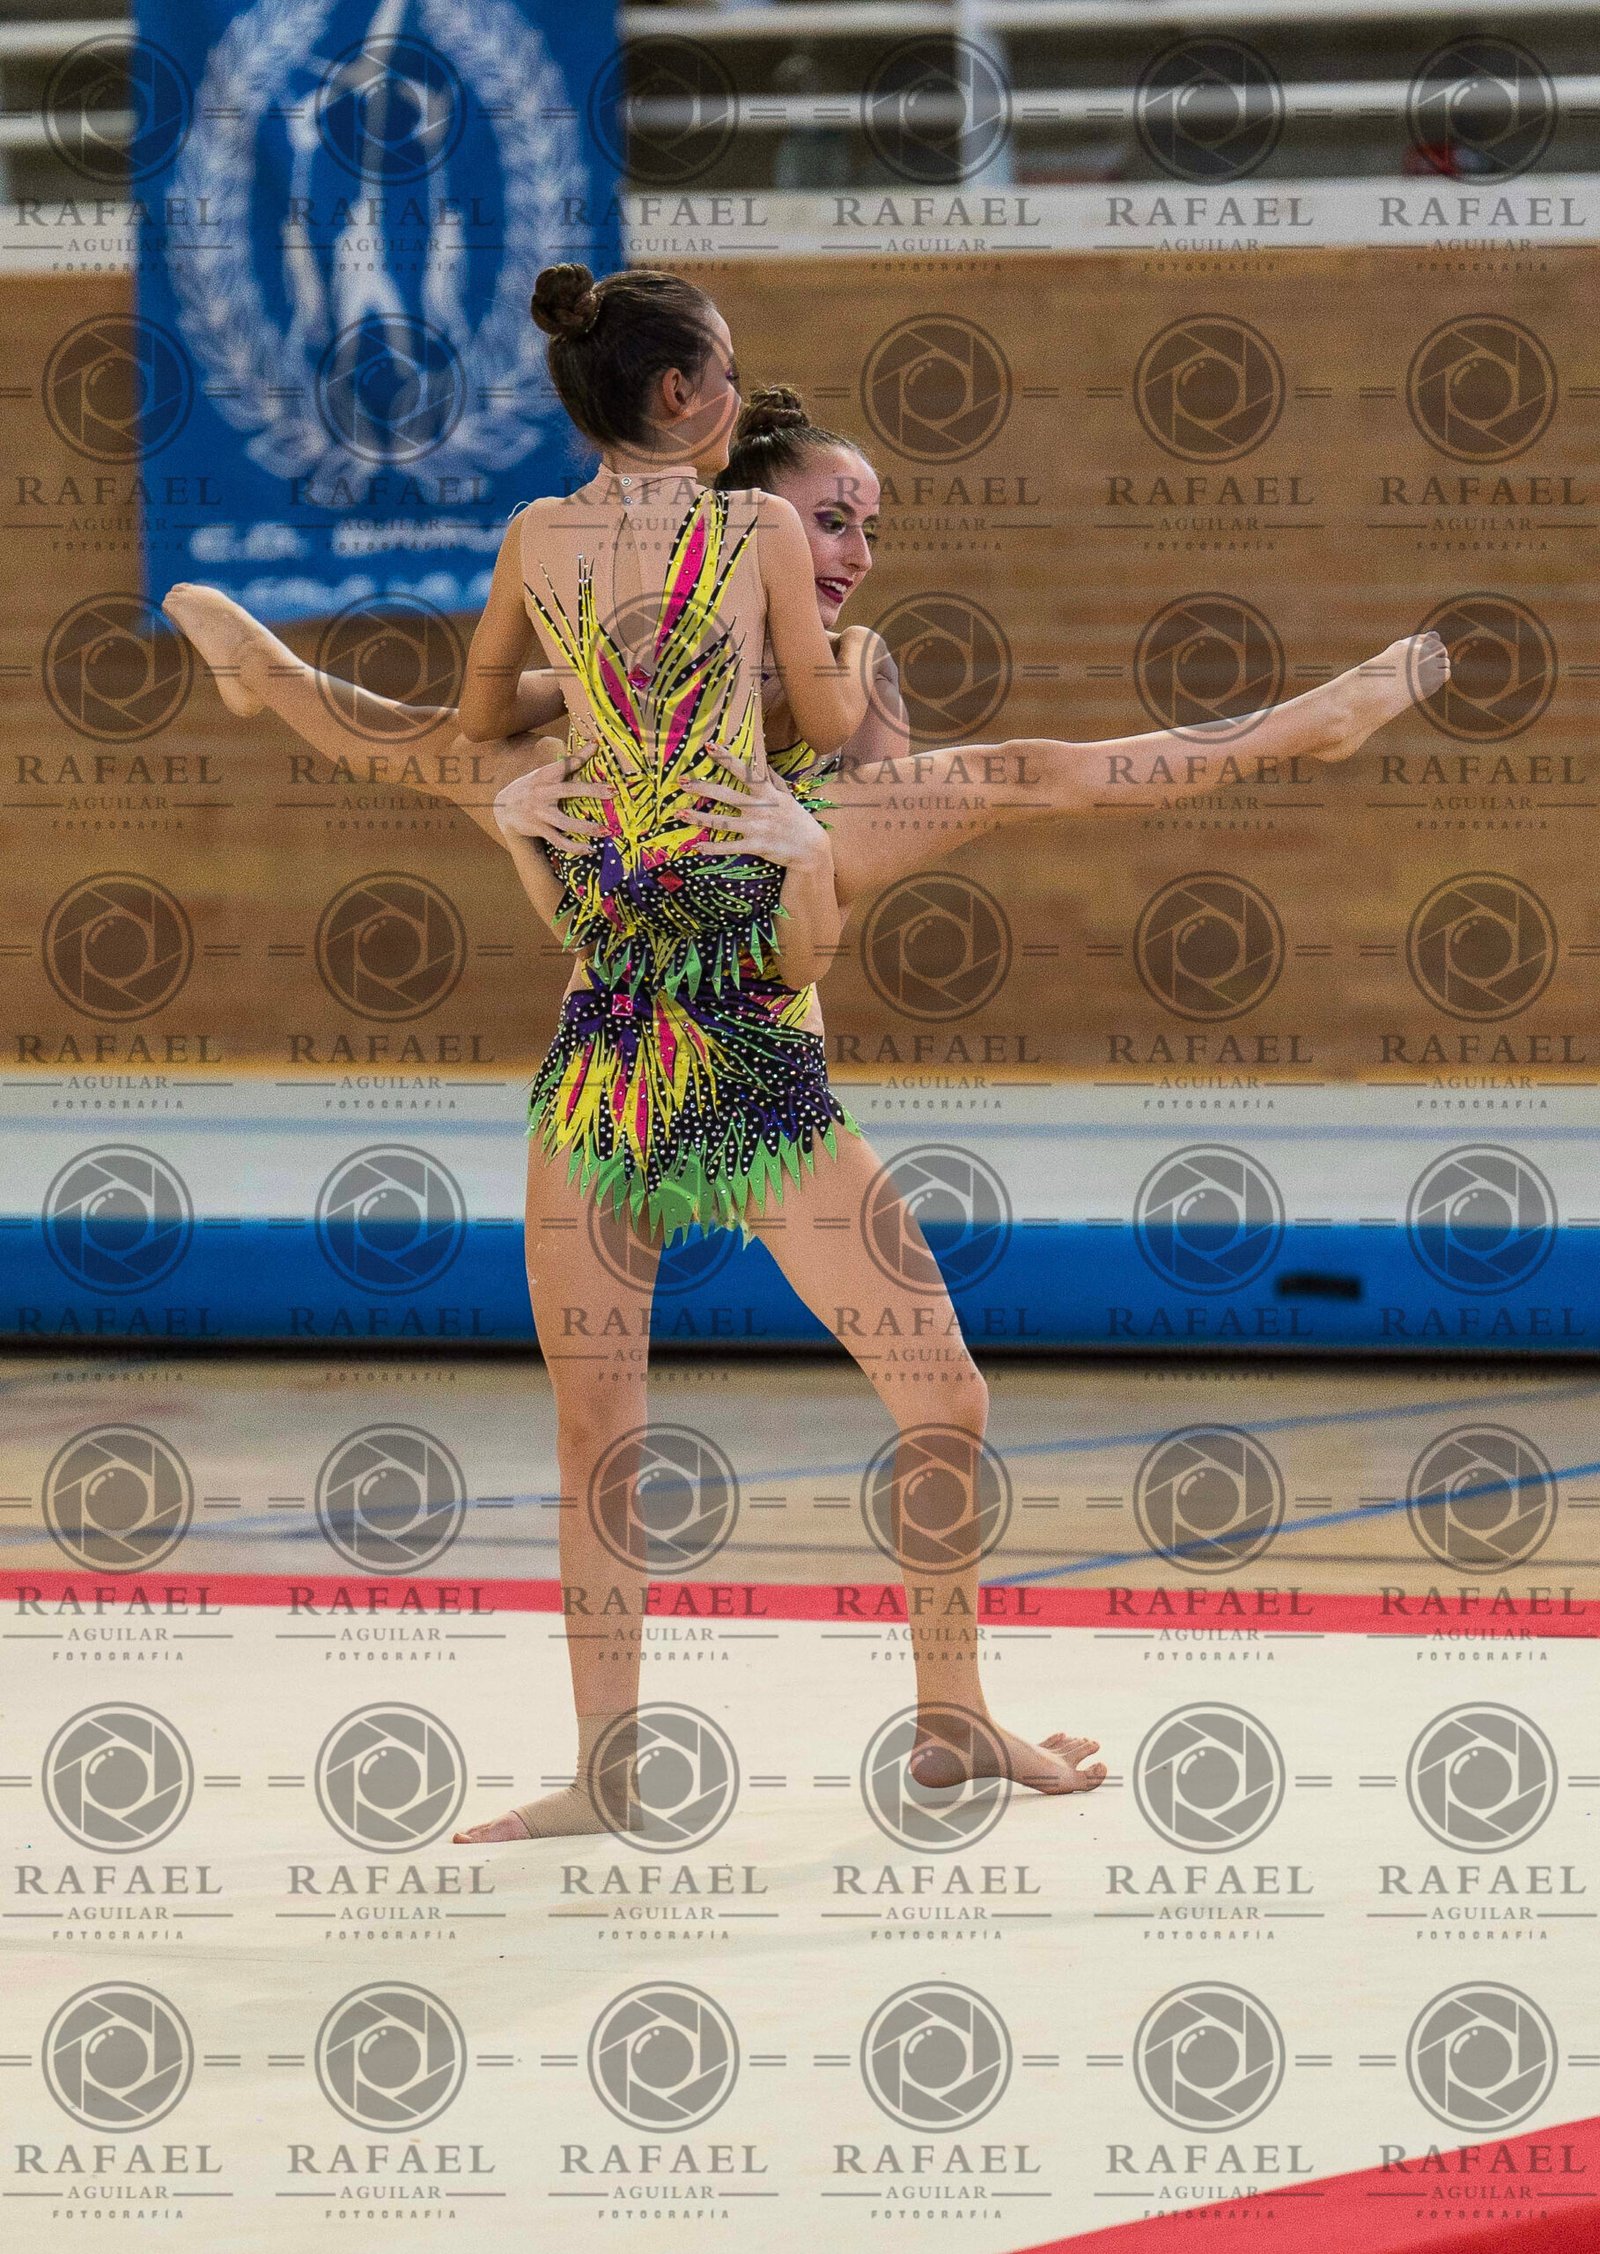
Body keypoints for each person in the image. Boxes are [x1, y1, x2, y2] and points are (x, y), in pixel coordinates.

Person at [165, 263, 1112, 1843]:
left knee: (936, 1395)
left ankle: (950, 1715)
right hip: (629, 1057)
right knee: (608, 1425)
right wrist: (518, 795)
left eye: (865, 533)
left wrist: (745, 792)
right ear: (705, 435)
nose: (852, 554)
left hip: (750, 1058)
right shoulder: (669, 597)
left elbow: (838, 836)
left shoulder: (780, 629)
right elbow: (483, 737)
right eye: (832, 521)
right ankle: (613, 1764)